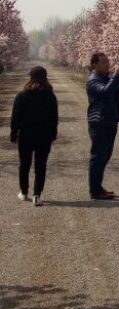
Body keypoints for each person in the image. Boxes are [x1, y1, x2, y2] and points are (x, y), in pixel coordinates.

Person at [10, 66, 59, 207]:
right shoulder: (50, 96)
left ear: (30, 78)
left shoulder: (22, 95)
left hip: (26, 135)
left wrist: (14, 134)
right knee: (41, 166)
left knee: (24, 164)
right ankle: (37, 195)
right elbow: (54, 118)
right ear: (45, 78)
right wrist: (53, 133)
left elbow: (15, 118)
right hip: (44, 136)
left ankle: (24, 192)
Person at [87, 52, 119, 200]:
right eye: (104, 62)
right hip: (99, 123)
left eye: (108, 61)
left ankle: (98, 187)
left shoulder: (106, 79)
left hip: (110, 121)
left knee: (105, 156)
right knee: (98, 156)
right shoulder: (93, 80)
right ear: (94, 65)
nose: (107, 64)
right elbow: (106, 92)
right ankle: (94, 190)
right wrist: (117, 75)